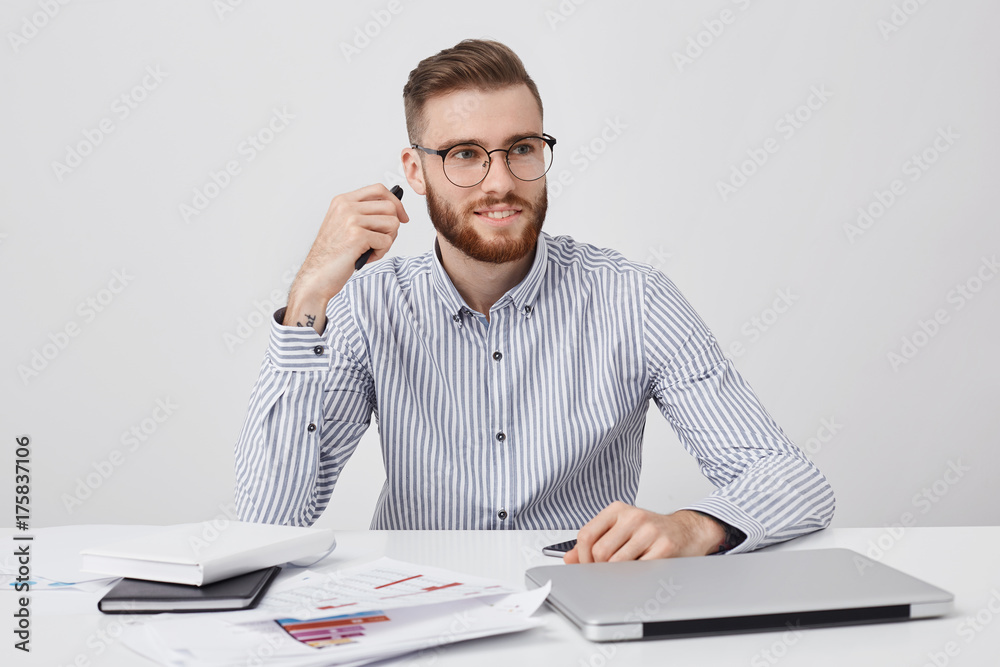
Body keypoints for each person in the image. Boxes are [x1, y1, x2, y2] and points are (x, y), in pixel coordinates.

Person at [234, 39, 835, 563]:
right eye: (465, 154)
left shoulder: (634, 299)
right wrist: (309, 295)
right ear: (415, 172)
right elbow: (268, 519)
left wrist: (690, 528)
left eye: (521, 147)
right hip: (420, 616)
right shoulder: (368, 307)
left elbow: (790, 481)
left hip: (579, 611)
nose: (500, 181)